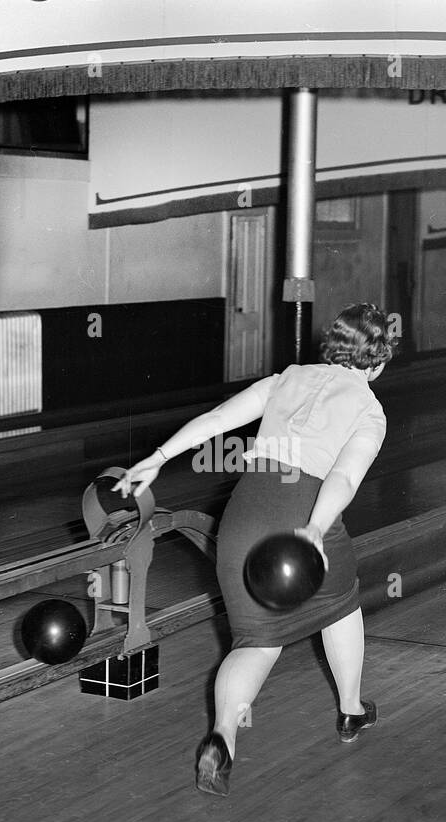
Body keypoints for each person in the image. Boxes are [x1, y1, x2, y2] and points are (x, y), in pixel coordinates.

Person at [115, 302, 394, 797]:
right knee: (341, 602)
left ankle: (222, 734)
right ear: (377, 363)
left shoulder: (286, 378)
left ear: (330, 347)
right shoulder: (370, 410)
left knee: (256, 642)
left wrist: (156, 459)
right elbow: (344, 476)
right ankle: (351, 711)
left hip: (243, 512)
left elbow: (219, 418)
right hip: (301, 509)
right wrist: (313, 529)